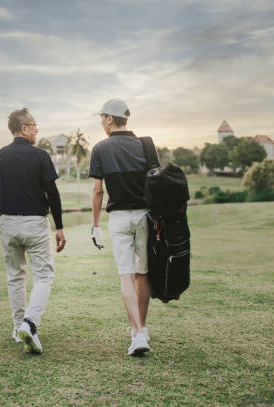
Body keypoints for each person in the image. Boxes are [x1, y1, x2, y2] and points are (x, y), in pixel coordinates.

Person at [0, 108, 66, 354]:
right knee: (43, 275)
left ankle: (19, 326)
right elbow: (53, 194)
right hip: (34, 223)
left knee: (15, 276)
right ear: (24, 128)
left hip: (7, 223)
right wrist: (60, 226)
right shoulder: (40, 155)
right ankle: (29, 324)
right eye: (34, 125)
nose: (37, 129)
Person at [89, 99, 157, 356]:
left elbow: (97, 191)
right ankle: (140, 329)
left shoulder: (100, 149)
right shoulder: (146, 145)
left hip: (119, 218)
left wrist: (95, 226)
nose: (101, 122)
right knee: (143, 274)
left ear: (109, 119)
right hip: (146, 216)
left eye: (102, 117)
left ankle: (137, 332)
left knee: (126, 275)